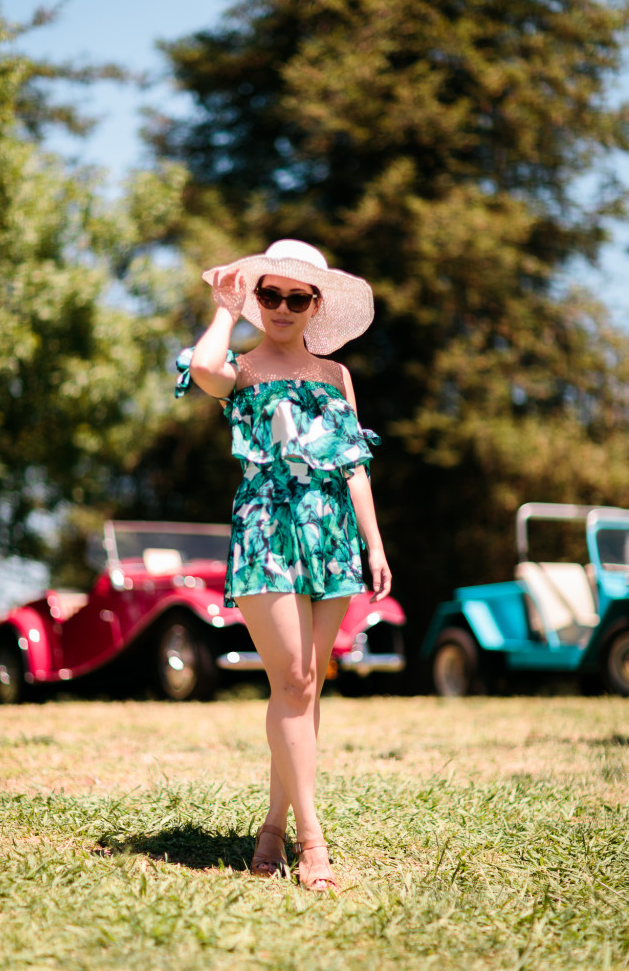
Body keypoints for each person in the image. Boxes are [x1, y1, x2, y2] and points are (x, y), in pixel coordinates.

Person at [175, 239, 391, 892]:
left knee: (304, 689)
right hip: (265, 528)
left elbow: (352, 465)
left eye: (297, 297)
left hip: (329, 534)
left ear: (315, 304)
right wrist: (224, 306)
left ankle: (273, 824)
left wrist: (375, 544)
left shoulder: (336, 377)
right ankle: (313, 841)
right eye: (269, 294)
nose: (282, 307)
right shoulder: (239, 368)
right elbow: (203, 367)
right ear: (257, 298)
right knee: (294, 679)